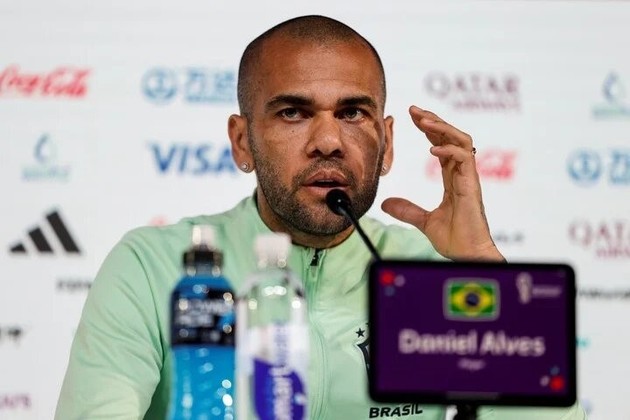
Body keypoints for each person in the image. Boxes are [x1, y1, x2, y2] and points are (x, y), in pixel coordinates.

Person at [55, 15, 585, 420]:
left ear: (387, 143)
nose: (328, 141)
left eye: (352, 113)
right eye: (293, 113)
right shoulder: (154, 268)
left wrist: (484, 271)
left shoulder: (429, 273)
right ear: (242, 142)